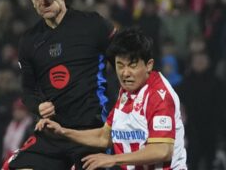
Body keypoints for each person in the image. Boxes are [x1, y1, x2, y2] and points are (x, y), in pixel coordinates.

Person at [36, 27, 187, 170]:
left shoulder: (159, 96)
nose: (125, 73)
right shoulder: (127, 91)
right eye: (120, 65)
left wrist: (113, 159)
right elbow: (104, 137)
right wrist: (63, 132)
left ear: (149, 65)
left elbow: (162, 150)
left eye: (132, 65)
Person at [3, 0, 116, 169]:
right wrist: (39, 107)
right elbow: (28, 91)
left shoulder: (93, 24)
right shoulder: (29, 41)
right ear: (31, 1)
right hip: (53, 134)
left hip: (92, 131)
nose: (43, 1)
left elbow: (125, 63)